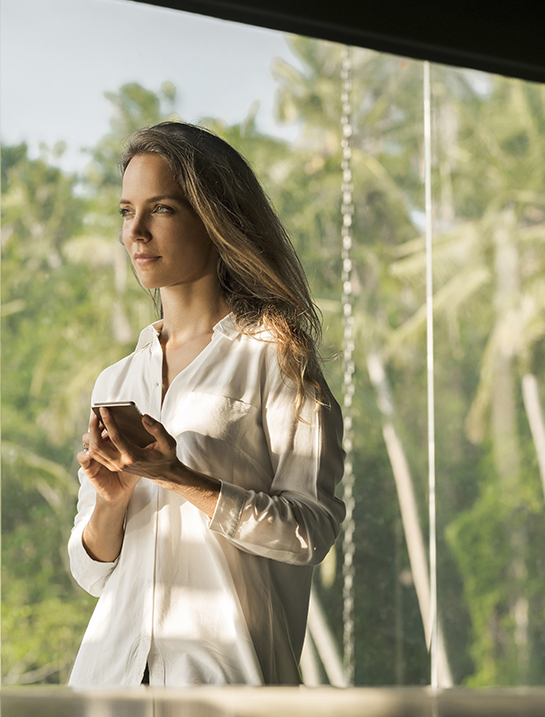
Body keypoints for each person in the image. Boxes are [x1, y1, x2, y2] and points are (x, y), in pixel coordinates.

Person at [67, 121, 346, 687]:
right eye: (126, 211)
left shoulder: (276, 358)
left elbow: (311, 532)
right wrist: (111, 502)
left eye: (161, 209)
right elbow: (89, 570)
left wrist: (180, 478)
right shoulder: (116, 380)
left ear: (214, 217)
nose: (136, 232)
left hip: (226, 685)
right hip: (106, 679)